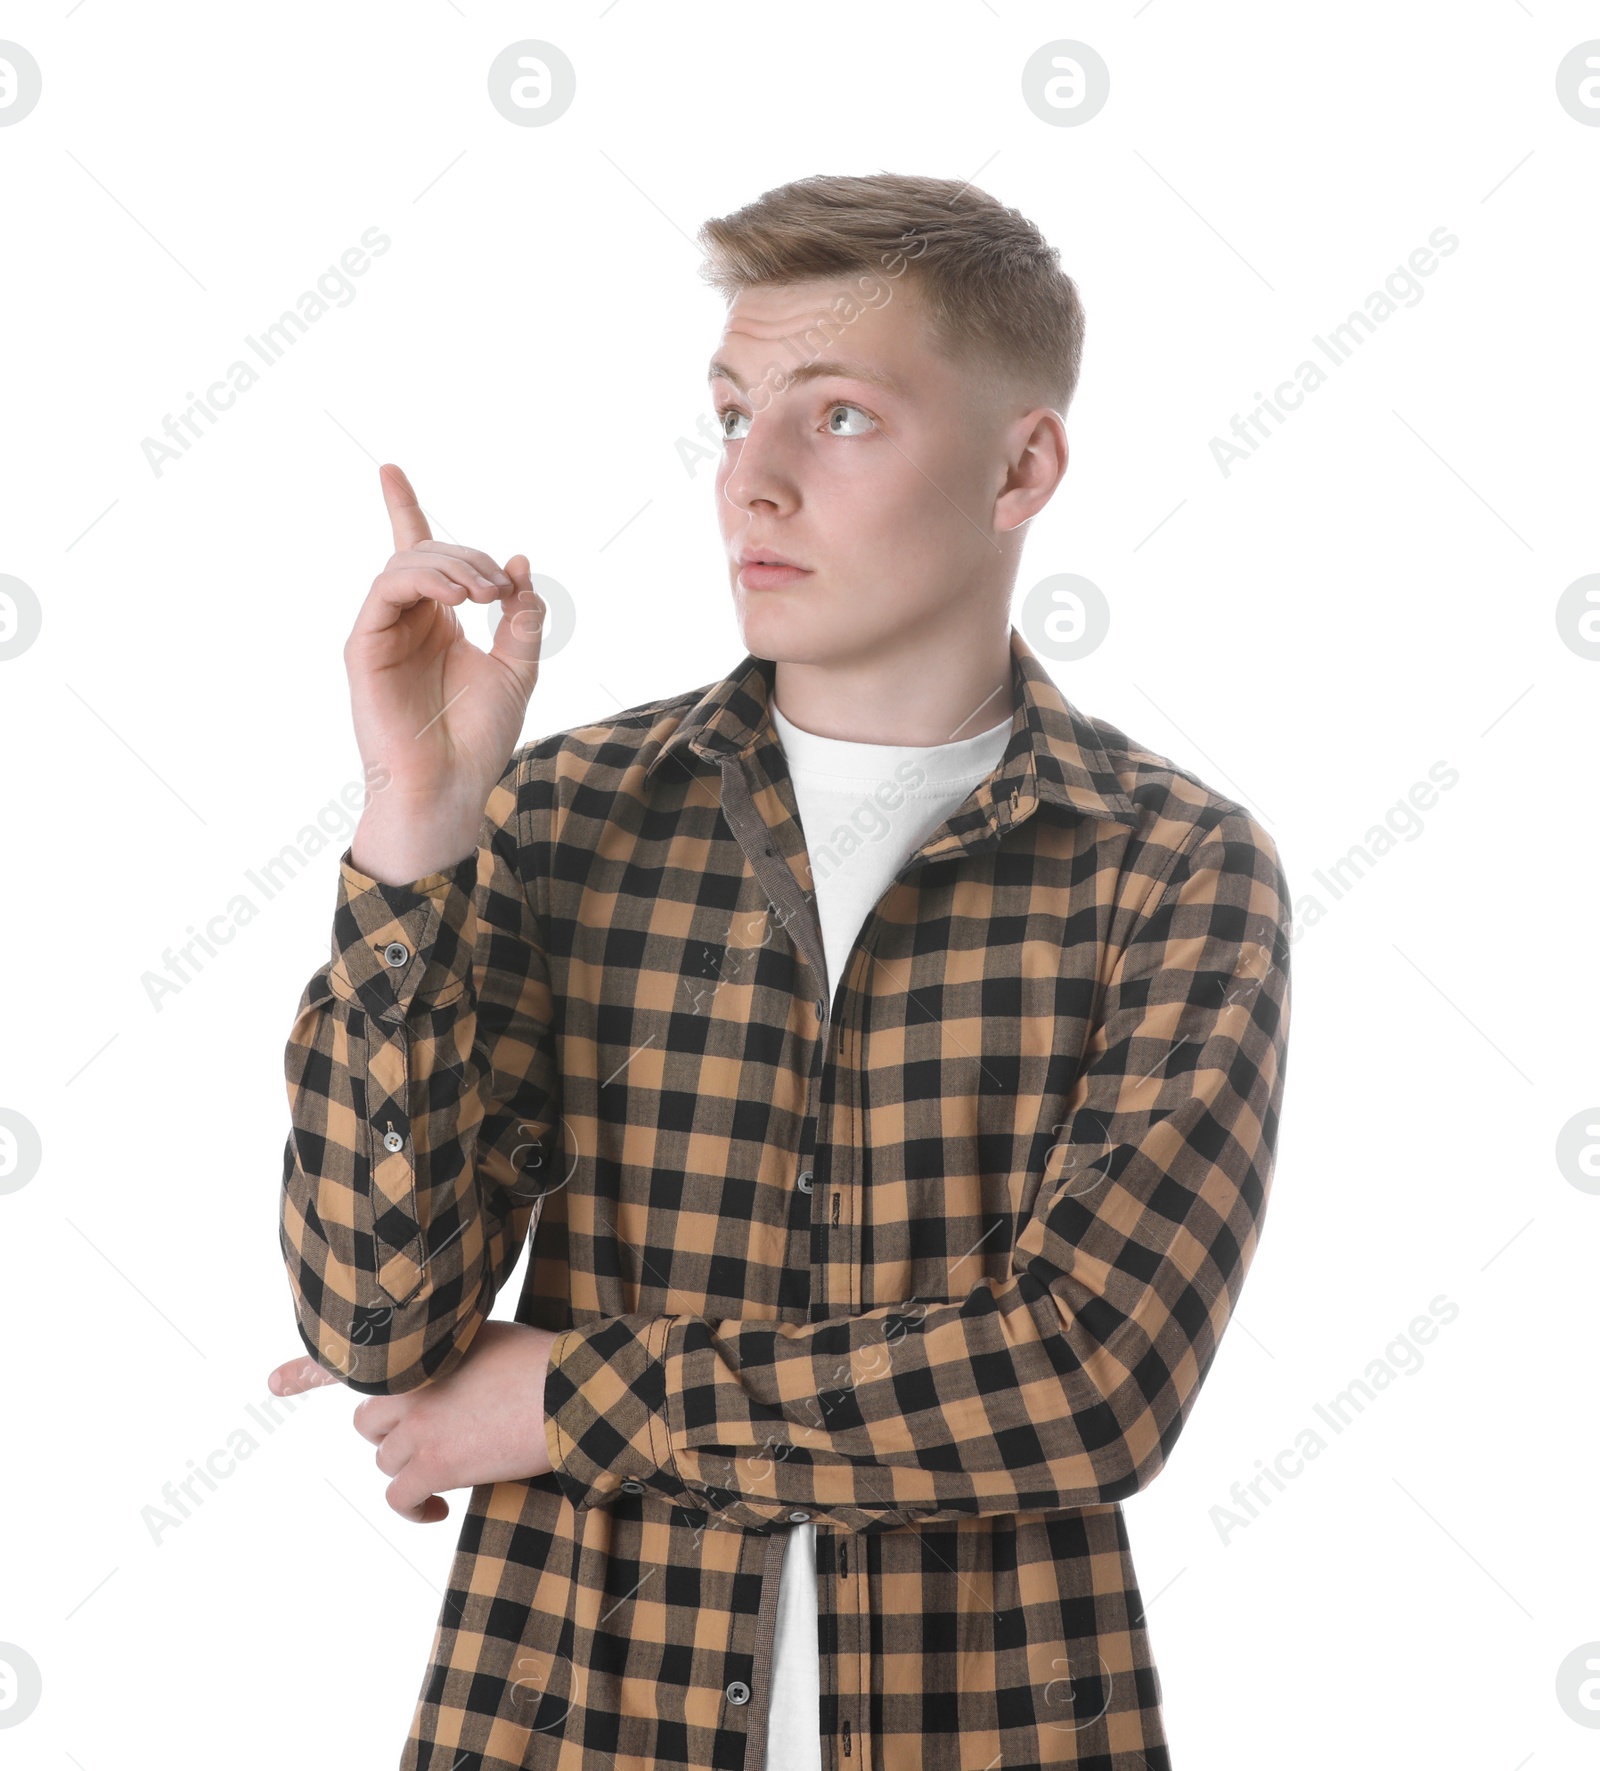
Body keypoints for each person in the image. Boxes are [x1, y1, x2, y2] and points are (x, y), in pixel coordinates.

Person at [269, 170, 1292, 1771]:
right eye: (735, 414)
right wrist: (419, 826)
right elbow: (378, 1325)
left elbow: (1089, 1378)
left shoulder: (1167, 866)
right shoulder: (570, 815)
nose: (751, 483)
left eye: (843, 420)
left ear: (1024, 466)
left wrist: (565, 1401)